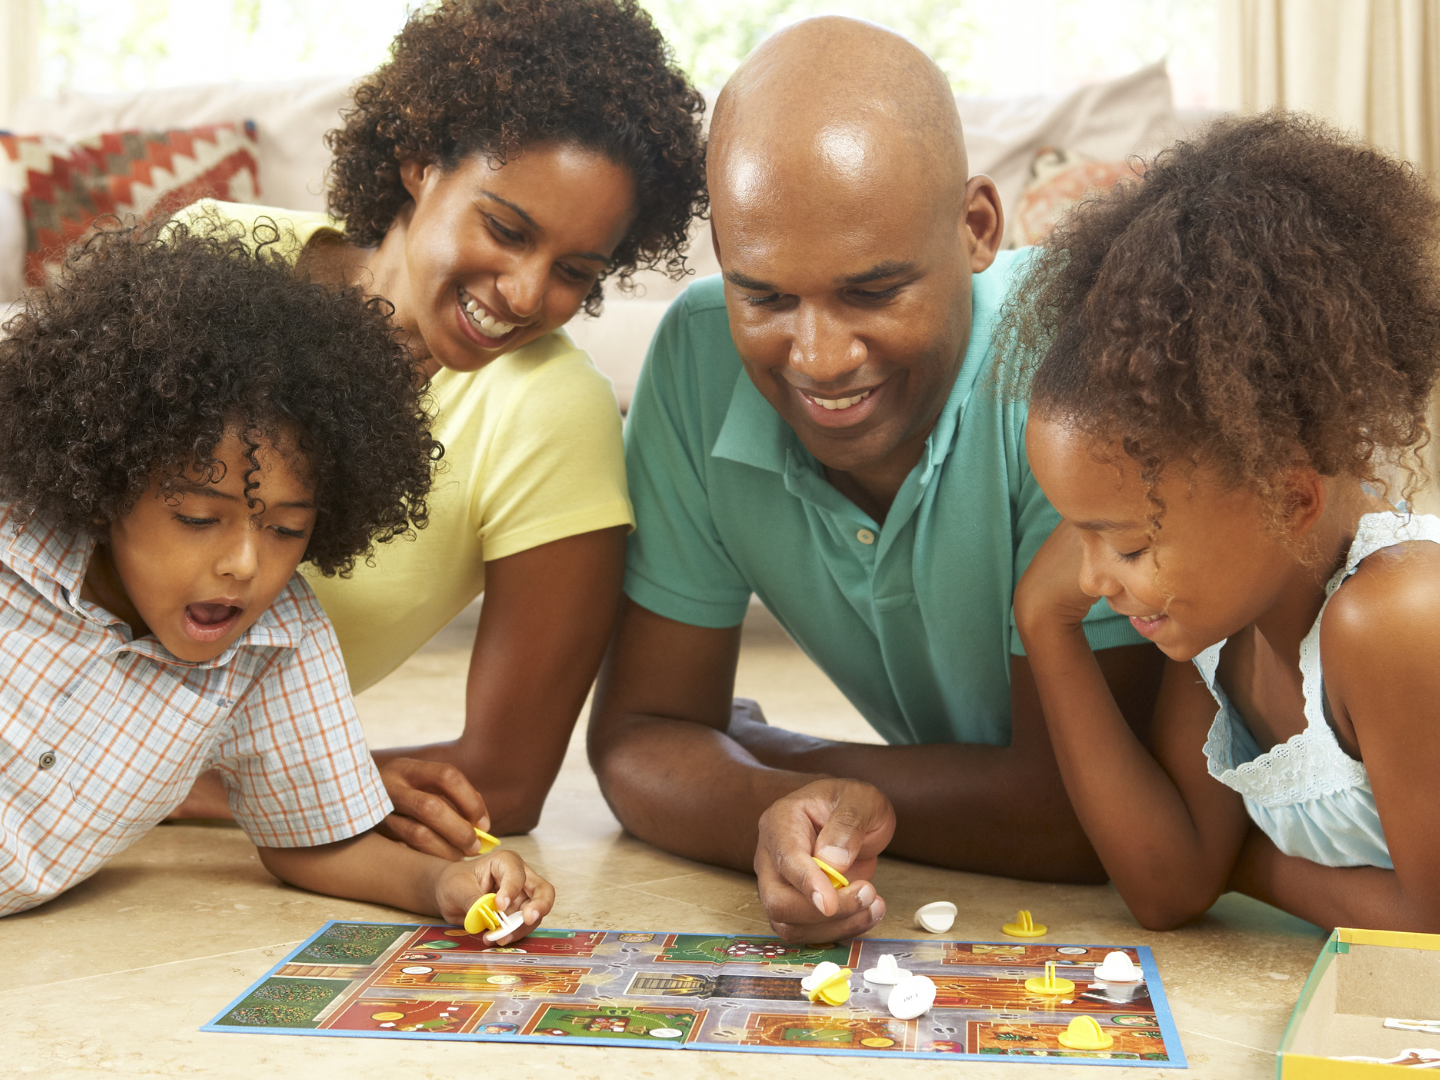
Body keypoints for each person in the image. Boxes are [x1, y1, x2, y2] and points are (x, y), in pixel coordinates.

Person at [588, 16, 1162, 945]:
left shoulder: (1071, 374)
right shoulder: (696, 358)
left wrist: (772, 753)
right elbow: (637, 741)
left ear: (977, 229)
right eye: (764, 294)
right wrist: (772, 809)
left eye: (872, 290)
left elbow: (1079, 816)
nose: (817, 358)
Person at [170, 0, 708, 854]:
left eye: (575, 271)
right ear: (420, 163)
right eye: (505, 228)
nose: (528, 295)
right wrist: (317, 782)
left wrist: (308, 782)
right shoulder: (214, 257)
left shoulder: (551, 413)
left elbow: (505, 779)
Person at [0, 220, 554, 930]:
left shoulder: (279, 647)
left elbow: (314, 840)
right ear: (108, 485)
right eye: (200, 519)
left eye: (288, 529)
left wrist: (445, 883)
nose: (244, 565)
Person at [1011, 113, 1440, 932]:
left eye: (1130, 541)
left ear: (1290, 500)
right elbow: (1169, 888)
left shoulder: (1398, 616)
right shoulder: (1221, 627)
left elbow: (1430, 935)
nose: (1095, 577)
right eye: (1082, 534)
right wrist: (1042, 621)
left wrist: (1246, 864)